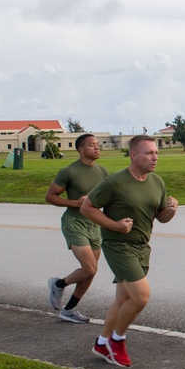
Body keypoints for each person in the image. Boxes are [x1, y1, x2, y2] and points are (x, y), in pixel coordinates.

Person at [81, 135, 178, 367]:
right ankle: (117, 340)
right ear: (133, 155)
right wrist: (114, 225)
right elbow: (87, 207)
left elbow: (161, 217)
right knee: (141, 296)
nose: (155, 157)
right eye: (148, 153)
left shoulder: (157, 182)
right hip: (118, 246)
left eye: (156, 152)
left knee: (123, 299)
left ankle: (102, 343)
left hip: (142, 246)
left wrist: (172, 210)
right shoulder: (115, 182)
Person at [45, 133, 109, 324]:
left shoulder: (102, 171)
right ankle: (58, 284)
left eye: (98, 144)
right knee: (89, 267)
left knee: (91, 270)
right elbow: (50, 196)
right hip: (74, 223)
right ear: (81, 149)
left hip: (94, 224)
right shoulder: (69, 171)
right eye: (92, 145)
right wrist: (75, 202)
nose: (97, 148)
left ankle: (69, 309)